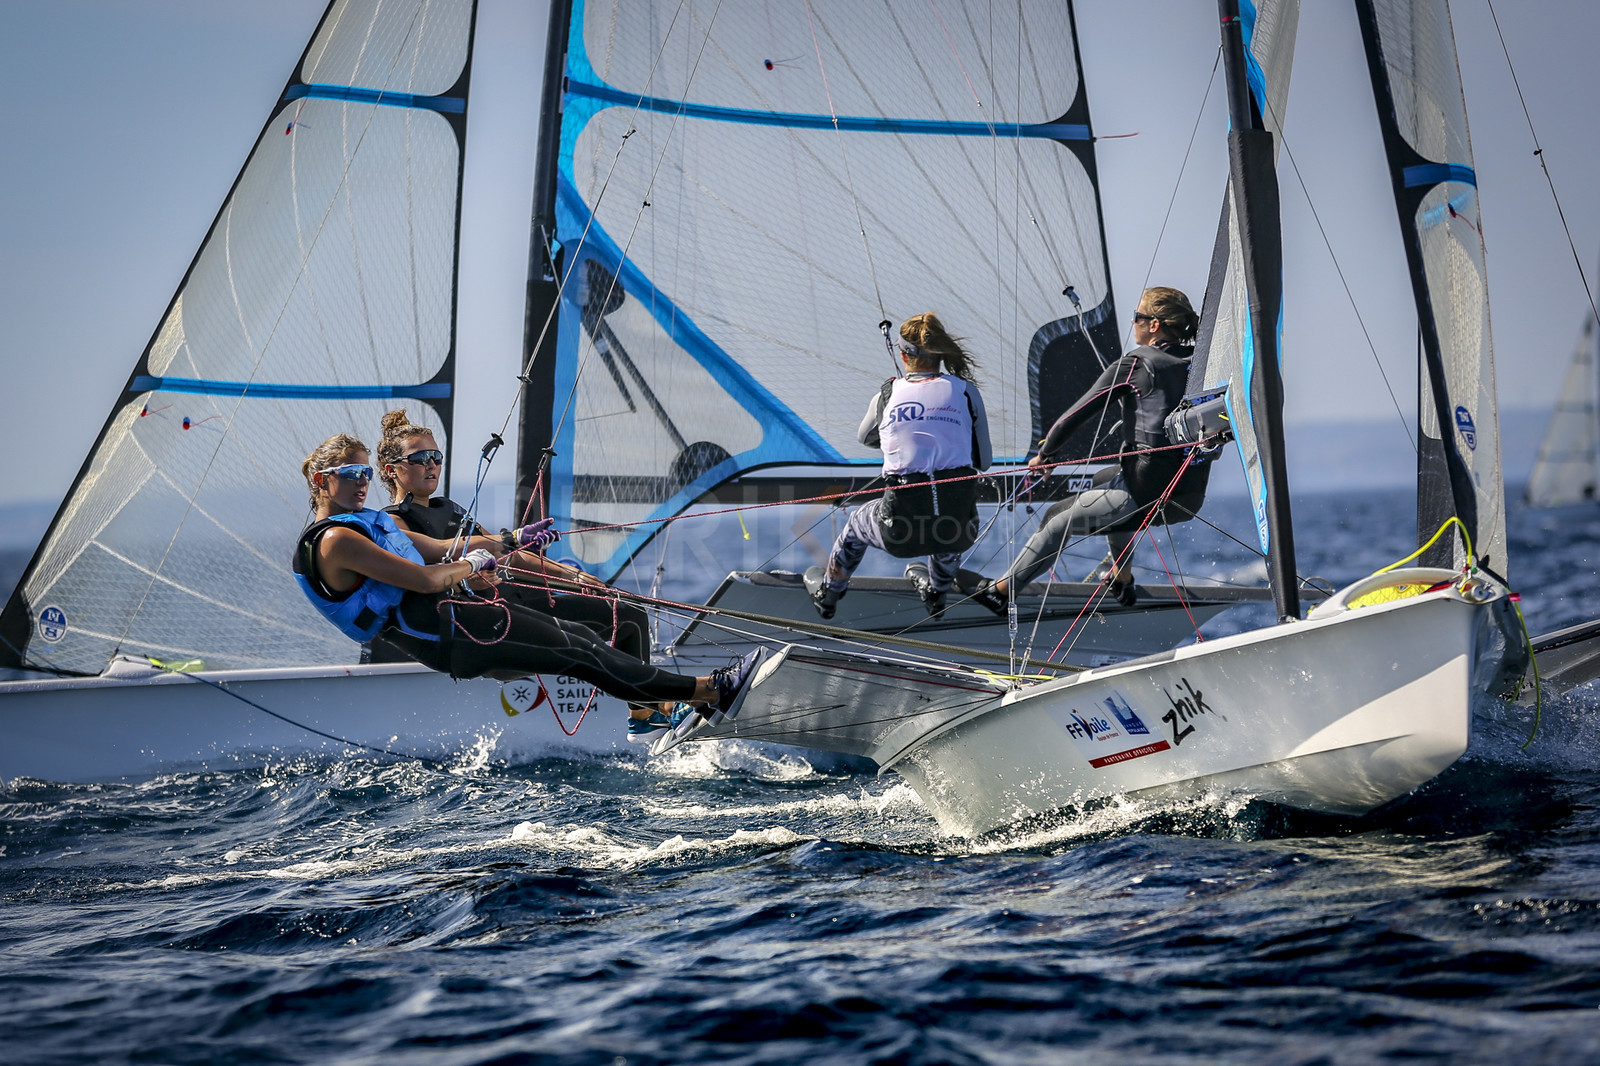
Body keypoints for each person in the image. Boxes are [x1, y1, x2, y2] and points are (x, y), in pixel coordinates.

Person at [292, 433, 760, 723]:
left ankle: (678, 700)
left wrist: (509, 541)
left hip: (463, 616)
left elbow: (441, 550)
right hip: (447, 633)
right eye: (350, 473)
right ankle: (707, 691)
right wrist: (475, 565)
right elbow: (426, 579)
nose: (362, 482)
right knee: (579, 651)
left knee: (583, 638)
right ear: (320, 481)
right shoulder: (334, 541)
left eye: (364, 472)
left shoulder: (366, 524)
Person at [374, 410, 673, 740]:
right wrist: (464, 575)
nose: (431, 464)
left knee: (629, 616)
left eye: (436, 456)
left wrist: (572, 577)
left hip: (517, 603)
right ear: (393, 470)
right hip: (488, 629)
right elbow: (420, 576)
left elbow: (508, 553)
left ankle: (645, 716)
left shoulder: (449, 508)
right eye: (419, 458)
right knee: (584, 643)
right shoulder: (391, 524)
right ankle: (675, 700)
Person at [970, 286, 1210, 612]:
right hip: (1188, 499)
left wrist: (1047, 454)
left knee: (1056, 519)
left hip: (1144, 496)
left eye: (1138, 317)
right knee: (1103, 479)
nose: (1132, 321)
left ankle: (1000, 592)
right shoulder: (1202, 365)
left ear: (1154, 325)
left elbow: (1076, 414)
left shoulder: (1138, 364)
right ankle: (1121, 577)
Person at [804, 313, 993, 619]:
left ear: (903, 354)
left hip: (899, 535)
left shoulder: (887, 394)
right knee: (950, 511)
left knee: (856, 523)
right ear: (942, 353)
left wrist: (901, 433)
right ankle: (936, 592)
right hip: (961, 530)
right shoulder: (966, 391)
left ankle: (829, 593)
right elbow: (983, 462)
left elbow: (865, 437)